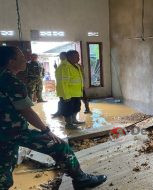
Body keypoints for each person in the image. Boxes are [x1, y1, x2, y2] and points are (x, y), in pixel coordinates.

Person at [0, 46, 107, 190]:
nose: (25, 59)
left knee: (3, 169)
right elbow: (27, 111)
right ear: (11, 61)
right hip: (13, 131)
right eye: (21, 56)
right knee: (61, 146)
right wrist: (46, 130)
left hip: (5, 133)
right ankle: (81, 179)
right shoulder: (11, 82)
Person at [56, 50, 85, 128]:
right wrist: (66, 96)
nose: (78, 58)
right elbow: (63, 83)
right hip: (68, 94)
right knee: (67, 109)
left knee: (76, 107)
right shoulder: (65, 66)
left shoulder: (77, 66)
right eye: (76, 56)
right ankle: (69, 124)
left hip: (76, 92)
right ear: (69, 57)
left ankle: (74, 120)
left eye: (78, 56)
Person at [52, 52, 67, 118]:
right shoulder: (61, 63)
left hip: (64, 87)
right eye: (60, 56)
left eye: (61, 55)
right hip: (60, 86)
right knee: (61, 100)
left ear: (65, 56)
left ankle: (63, 113)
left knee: (63, 101)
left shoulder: (66, 64)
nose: (60, 57)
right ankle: (60, 112)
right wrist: (56, 68)